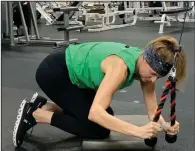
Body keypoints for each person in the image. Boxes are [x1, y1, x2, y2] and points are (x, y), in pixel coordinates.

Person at [13, 35, 186, 148]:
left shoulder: (144, 63)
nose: (153, 80)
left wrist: (164, 125)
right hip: (54, 74)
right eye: (154, 74)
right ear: (146, 60)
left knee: (107, 114)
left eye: (159, 77)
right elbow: (95, 113)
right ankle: (35, 114)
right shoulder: (120, 67)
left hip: (72, 74)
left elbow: (152, 111)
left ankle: (47, 106)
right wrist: (138, 131)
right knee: (98, 129)